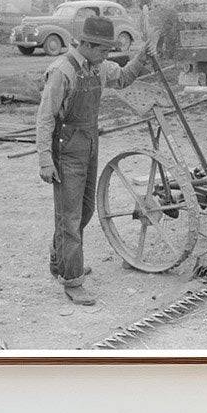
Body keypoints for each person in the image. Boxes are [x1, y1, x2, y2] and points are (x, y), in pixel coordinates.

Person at [36, 16, 158, 306]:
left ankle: (61, 257)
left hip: (90, 144)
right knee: (69, 217)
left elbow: (124, 78)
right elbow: (45, 118)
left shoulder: (98, 67)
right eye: (103, 50)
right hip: (66, 150)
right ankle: (73, 280)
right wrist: (44, 159)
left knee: (86, 209)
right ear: (88, 45)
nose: (107, 55)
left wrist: (142, 56)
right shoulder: (62, 71)